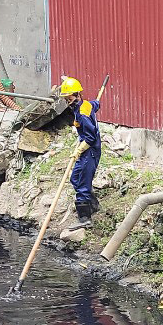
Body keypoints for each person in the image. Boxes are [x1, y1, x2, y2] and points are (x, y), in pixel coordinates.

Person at [59, 76, 101, 229]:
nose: (67, 101)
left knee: (82, 182)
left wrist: (79, 150)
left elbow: (91, 137)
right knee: (75, 178)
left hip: (90, 150)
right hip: (87, 149)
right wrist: (97, 103)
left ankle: (85, 219)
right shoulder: (86, 105)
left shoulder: (83, 114)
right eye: (66, 98)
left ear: (76, 95)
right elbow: (96, 104)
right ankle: (93, 204)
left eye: (68, 97)